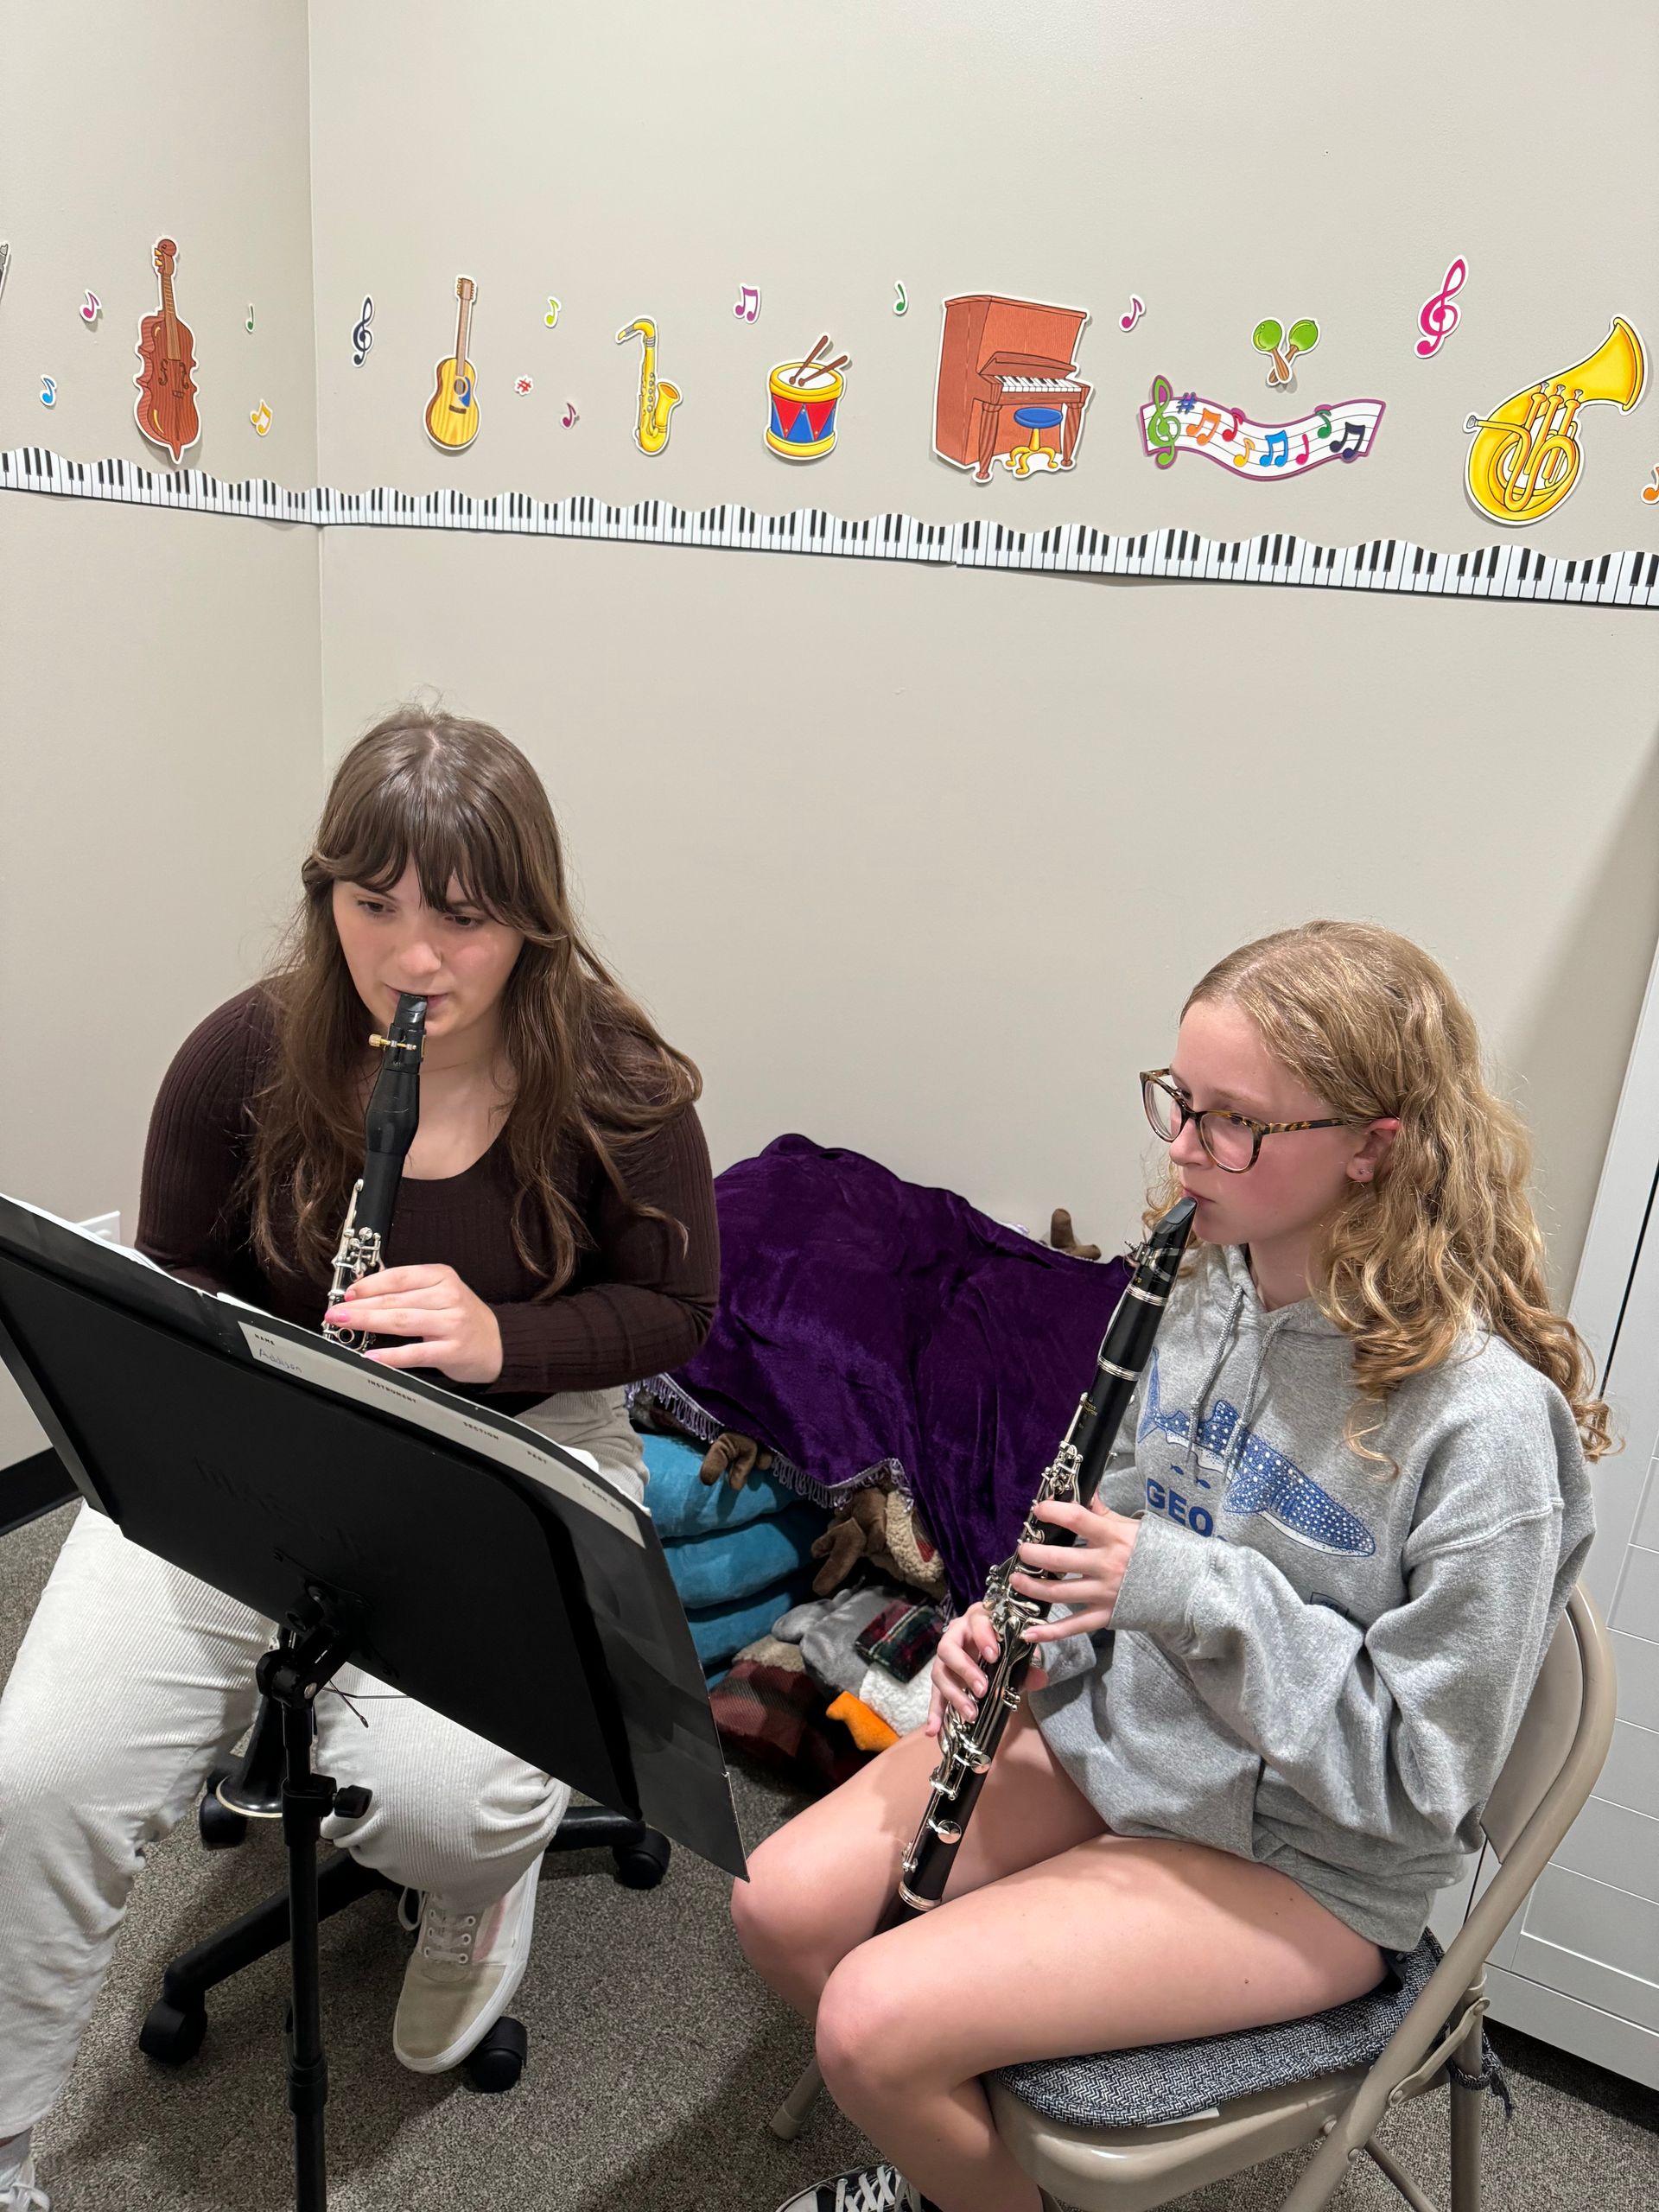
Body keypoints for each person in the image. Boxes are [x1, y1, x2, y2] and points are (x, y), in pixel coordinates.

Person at [733, 920, 1602, 2212]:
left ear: (1375, 1144)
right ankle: (951, 2165)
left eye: (1233, 1122)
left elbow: (1422, 1780)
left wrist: (1183, 1591)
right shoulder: (1206, 1284)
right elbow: (1109, 1527)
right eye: (1179, 1103)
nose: (1185, 1149)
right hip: (1124, 1737)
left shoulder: (1483, 1428)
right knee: (781, 1909)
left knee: (871, 2020)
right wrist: (1008, 1629)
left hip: (1305, 1855)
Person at [0, 707, 718, 2212]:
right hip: (260, 1429)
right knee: (39, 1775)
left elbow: (677, 1306)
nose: (415, 957)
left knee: (451, 1809)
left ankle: (472, 1905)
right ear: (325, 894)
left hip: (509, 1452)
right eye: (373, 903)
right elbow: (175, 1282)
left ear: (531, 915)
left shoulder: (618, 1078)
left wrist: (500, 1342)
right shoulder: (244, 1058)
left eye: (462, 917)